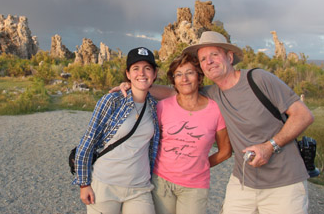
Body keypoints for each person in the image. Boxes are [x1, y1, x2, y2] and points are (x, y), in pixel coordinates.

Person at [115, 31, 314, 214]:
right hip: (243, 182)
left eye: (214, 55)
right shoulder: (212, 95)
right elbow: (174, 92)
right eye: (203, 59)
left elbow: (303, 115)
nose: (209, 61)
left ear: (229, 57)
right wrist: (134, 86)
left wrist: (270, 146)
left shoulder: (259, 79)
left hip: (284, 183)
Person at [73, 47, 160, 214]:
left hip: (139, 187)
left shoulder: (155, 107)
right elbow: (89, 139)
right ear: (128, 74)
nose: (141, 73)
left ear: (154, 74)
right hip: (105, 185)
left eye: (147, 68)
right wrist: (84, 184)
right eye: (136, 68)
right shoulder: (112, 101)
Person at [152, 52, 232, 214]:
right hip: (161, 182)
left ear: (199, 77)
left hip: (195, 187)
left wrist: (201, 165)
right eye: (179, 75)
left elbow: (225, 151)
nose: (184, 79)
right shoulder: (162, 107)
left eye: (190, 73)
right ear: (173, 80)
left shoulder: (215, 110)